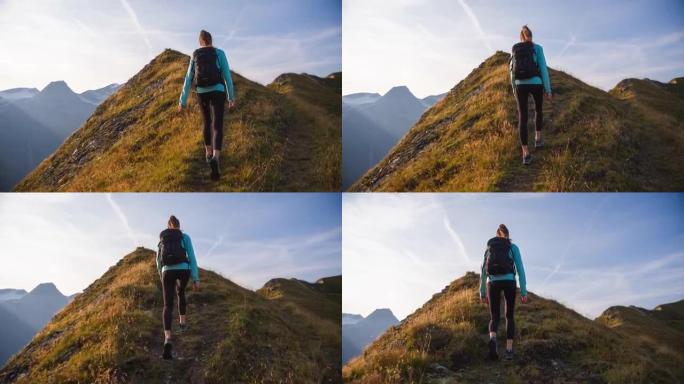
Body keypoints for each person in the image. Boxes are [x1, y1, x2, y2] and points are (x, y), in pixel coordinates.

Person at [178, 29, 236, 181]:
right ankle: (216, 157)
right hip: (218, 90)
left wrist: (182, 101)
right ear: (211, 40)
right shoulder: (219, 53)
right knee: (217, 124)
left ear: (200, 41)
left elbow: (188, 78)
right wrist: (231, 97)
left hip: (201, 91)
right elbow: (227, 76)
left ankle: (208, 153)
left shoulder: (195, 54)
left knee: (207, 123)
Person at [479, 224, 528, 360]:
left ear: (497, 235)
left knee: (494, 317)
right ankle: (509, 350)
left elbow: (483, 270)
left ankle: (493, 341)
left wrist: (482, 292)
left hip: (493, 282)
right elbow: (520, 269)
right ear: (507, 235)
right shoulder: (513, 247)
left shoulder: (489, 248)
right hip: (509, 281)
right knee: (509, 316)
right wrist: (523, 292)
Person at [156, 215, 200, 360]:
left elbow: (158, 260)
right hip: (183, 269)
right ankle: (182, 323)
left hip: (167, 271)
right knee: (180, 293)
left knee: (167, 305)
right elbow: (192, 257)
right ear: (179, 225)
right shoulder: (184, 236)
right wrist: (195, 278)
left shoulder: (163, 238)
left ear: (168, 226)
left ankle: (167, 338)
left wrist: (161, 274)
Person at [510, 25, 552, 165]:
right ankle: (538, 139)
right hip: (536, 83)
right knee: (538, 110)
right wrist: (548, 90)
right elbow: (543, 69)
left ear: (521, 37)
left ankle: (526, 154)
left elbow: (511, 71)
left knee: (523, 117)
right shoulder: (537, 48)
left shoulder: (515, 49)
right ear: (531, 35)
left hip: (520, 84)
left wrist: (514, 87)